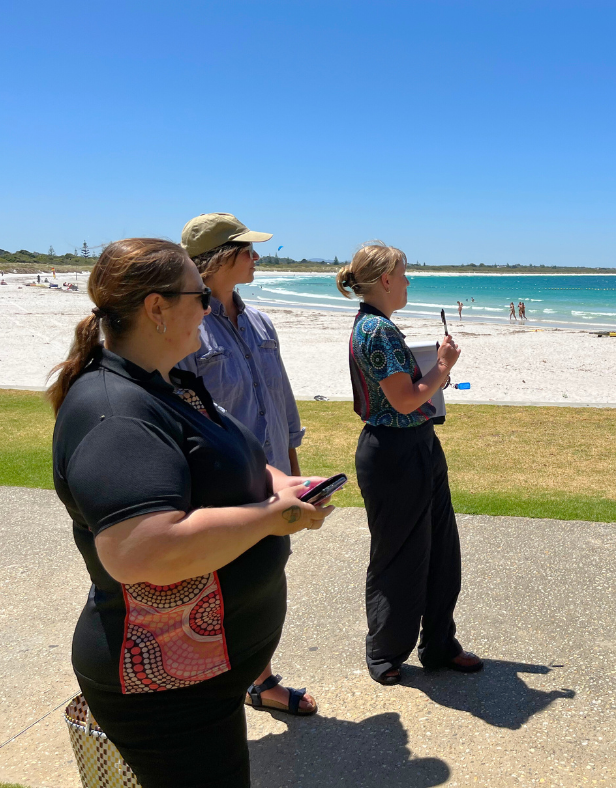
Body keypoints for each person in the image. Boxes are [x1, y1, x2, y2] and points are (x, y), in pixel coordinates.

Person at [49, 238, 335, 788]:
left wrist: (280, 483)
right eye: (199, 295)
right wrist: (275, 516)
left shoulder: (169, 382)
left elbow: (225, 458)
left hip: (209, 670)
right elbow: (143, 548)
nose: (209, 307)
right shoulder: (114, 413)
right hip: (167, 686)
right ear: (157, 309)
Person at [176, 213, 314, 716]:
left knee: (265, 583)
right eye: (246, 251)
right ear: (216, 261)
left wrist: (294, 468)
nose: (256, 258)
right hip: (222, 485)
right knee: (222, 587)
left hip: (274, 477)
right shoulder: (186, 326)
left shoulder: (259, 321)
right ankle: (229, 685)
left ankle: (258, 679)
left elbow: (280, 397)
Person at [337, 242, 482, 685]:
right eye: (403, 275)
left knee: (441, 548)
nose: (407, 282)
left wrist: (434, 371)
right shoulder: (375, 330)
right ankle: (384, 652)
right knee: (399, 556)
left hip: (417, 444)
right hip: (393, 452)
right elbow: (403, 401)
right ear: (384, 280)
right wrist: (442, 366)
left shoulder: (382, 325)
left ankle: (439, 643)